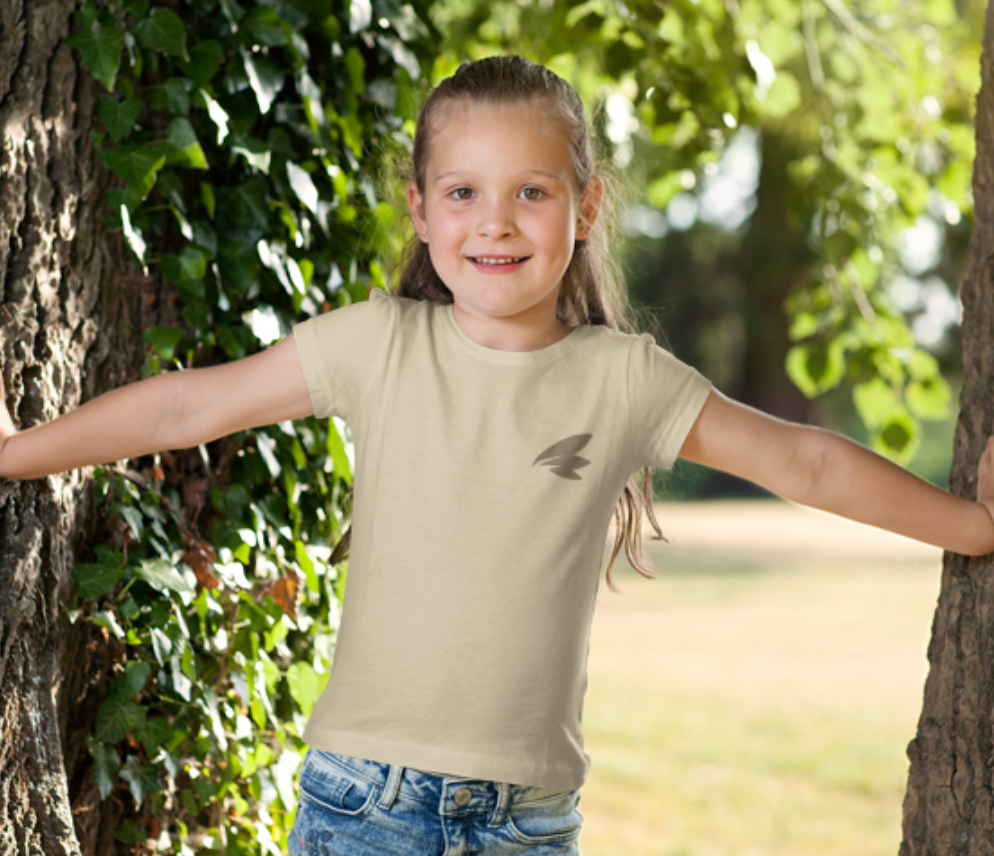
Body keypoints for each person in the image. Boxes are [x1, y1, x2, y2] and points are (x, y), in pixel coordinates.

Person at [0, 55, 992, 855]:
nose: (496, 220)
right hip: (362, 804)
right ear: (422, 211)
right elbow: (186, 406)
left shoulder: (625, 379)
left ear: (585, 207)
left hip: (528, 822)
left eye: (531, 191)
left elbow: (804, 465)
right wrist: (17, 454)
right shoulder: (375, 344)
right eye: (464, 191)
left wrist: (973, 525)